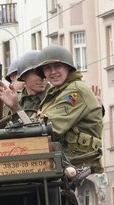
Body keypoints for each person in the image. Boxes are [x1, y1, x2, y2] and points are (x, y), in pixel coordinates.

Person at [29, 45, 103, 173]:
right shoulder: (56, 92)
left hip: (77, 165)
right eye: (47, 68)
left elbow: (49, 126)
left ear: (68, 67)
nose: (53, 72)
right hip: (65, 163)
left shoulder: (75, 91)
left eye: (57, 66)